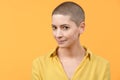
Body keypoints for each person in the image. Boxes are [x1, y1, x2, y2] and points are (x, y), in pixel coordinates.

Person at [32, 1, 110, 80]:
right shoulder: (39, 64)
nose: (58, 35)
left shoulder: (102, 66)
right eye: (54, 28)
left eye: (65, 27)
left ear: (81, 28)